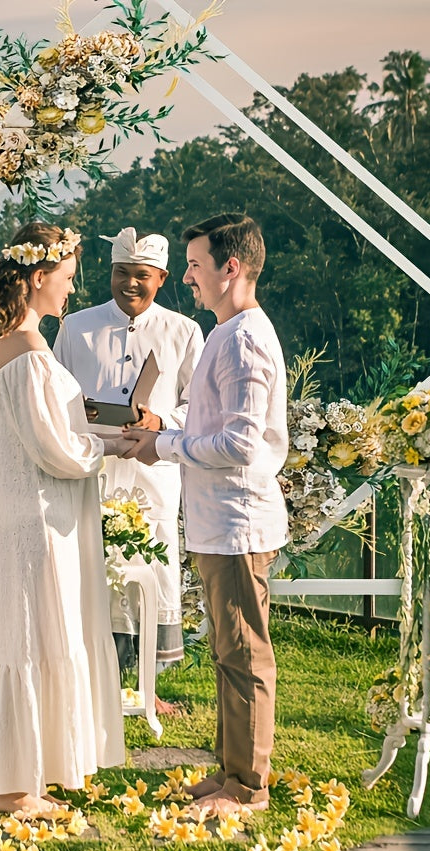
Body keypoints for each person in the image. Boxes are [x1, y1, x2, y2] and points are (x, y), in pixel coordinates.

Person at [122, 213, 289, 817]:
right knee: (227, 651)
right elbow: (211, 424)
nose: (187, 277)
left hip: (239, 521)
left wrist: (162, 447)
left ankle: (248, 788)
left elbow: (242, 444)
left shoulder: (243, 340)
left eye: (195, 265)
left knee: (245, 653)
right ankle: (228, 773)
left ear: (231, 268)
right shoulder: (226, 331)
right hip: (219, 521)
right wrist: (162, 426)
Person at [0, 221, 129, 817]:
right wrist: (110, 446)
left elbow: (51, 429)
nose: (69, 291)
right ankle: (12, 788)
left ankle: (27, 772)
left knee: (31, 633)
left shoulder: (18, 348)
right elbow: (55, 449)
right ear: (37, 278)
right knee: (33, 634)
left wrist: (94, 425)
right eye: (63, 279)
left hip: (33, 518)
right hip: (38, 523)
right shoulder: (31, 353)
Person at [54, 227, 203, 710]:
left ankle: (147, 687)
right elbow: (55, 394)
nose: (130, 283)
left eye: (142, 275)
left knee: (149, 570)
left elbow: (198, 404)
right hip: (90, 467)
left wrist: (161, 421)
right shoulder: (76, 327)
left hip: (153, 470)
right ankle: (93, 681)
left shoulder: (184, 330)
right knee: (93, 567)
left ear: (161, 277)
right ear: (110, 273)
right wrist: (83, 412)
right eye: (122, 273)